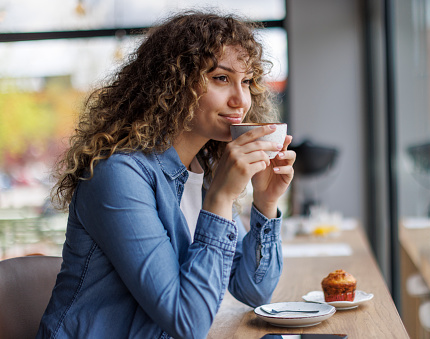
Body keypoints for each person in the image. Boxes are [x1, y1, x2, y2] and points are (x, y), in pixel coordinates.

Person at [37, 10, 295, 339]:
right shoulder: (119, 176)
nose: (241, 100)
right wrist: (221, 198)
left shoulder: (201, 170)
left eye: (246, 82)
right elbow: (187, 322)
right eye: (221, 78)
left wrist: (265, 201)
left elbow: (255, 292)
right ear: (173, 84)